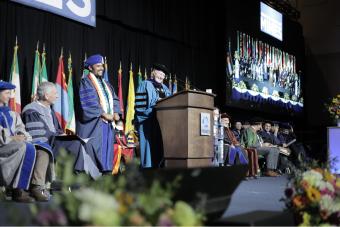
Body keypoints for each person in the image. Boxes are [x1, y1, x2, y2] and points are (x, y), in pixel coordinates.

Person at [22, 82, 101, 179]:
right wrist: (59, 136)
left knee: (86, 143)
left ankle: (93, 177)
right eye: (55, 93)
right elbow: (37, 135)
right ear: (46, 96)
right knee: (76, 144)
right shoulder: (31, 110)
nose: (57, 96)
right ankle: (79, 175)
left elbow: (56, 129)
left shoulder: (49, 109)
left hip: (54, 140)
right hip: (45, 144)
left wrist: (62, 134)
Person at [0, 81, 53, 202]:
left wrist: (22, 135)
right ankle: (18, 189)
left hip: (15, 144)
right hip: (3, 145)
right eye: (7, 93)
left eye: (10, 93)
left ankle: (36, 187)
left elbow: (21, 128)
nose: (10, 96)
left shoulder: (12, 113)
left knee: (42, 148)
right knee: (23, 147)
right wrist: (12, 138)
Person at [77, 54, 121, 173]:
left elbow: (115, 99)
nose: (101, 68)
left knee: (106, 151)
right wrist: (103, 113)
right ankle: (91, 177)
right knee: (94, 149)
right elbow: (88, 102)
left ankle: (105, 173)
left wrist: (116, 112)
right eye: (98, 65)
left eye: (102, 65)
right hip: (94, 124)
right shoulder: (86, 82)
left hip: (107, 124)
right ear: (90, 68)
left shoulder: (106, 84)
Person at [135, 63, 171, 168]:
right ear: (153, 72)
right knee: (148, 152)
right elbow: (140, 106)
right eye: (159, 73)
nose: (161, 76)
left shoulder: (165, 88)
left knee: (160, 150)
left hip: (162, 124)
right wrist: (156, 105)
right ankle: (147, 173)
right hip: (148, 122)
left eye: (163, 75)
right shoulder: (145, 84)